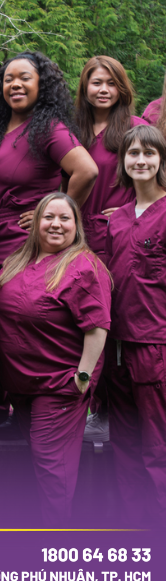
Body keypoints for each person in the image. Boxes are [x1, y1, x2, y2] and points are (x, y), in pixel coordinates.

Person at [0, 51, 98, 437]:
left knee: (15, 328)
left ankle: (20, 413)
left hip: (24, 246)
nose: (16, 85)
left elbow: (86, 170)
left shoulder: (48, 128)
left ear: (43, 85)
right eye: (9, 78)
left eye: (25, 77)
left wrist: (51, 214)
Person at [0, 193, 110, 527]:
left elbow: (97, 327)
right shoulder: (18, 260)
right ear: (36, 223)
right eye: (48, 217)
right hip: (21, 384)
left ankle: (57, 545)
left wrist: (82, 377)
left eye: (64, 218)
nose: (56, 225)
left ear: (77, 225)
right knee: (39, 466)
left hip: (58, 386)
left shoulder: (84, 267)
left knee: (52, 468)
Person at [73, 56, 146, 443]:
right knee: (76, 322)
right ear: (84, 87)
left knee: (109, 323)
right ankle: (77, 406)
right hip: (73, 237)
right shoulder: (73, 129)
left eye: (110, 83)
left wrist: (135, 207)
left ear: (122, 89)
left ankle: (108, 410)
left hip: (115, 239)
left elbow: (156, 177)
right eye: (95, 82)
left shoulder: (135, 128)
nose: (103, 90)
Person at [106, 125, 166, 527]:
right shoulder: (119, 218)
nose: (140, 160)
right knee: (123, 444)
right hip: (117, 346)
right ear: (123, 161)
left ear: (161, 160)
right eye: (133, 153)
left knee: (157, 446)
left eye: (148, 153)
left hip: (154, 344)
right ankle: (135, 530)